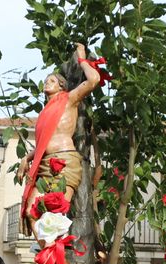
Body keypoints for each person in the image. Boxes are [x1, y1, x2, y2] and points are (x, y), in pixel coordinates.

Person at [17, 42, 101, 236]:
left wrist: (82, 59)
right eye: (46, 81)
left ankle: (55, 258)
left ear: (62, 86)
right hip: (46, 163)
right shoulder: (44, 113)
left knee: (55, 214)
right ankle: (49, 256)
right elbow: (43, 145)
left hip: (64, 162)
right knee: (32, 212)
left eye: (53, 81)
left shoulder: (69, 99)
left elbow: (94, 79)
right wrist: (26, 158)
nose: (48, 82)